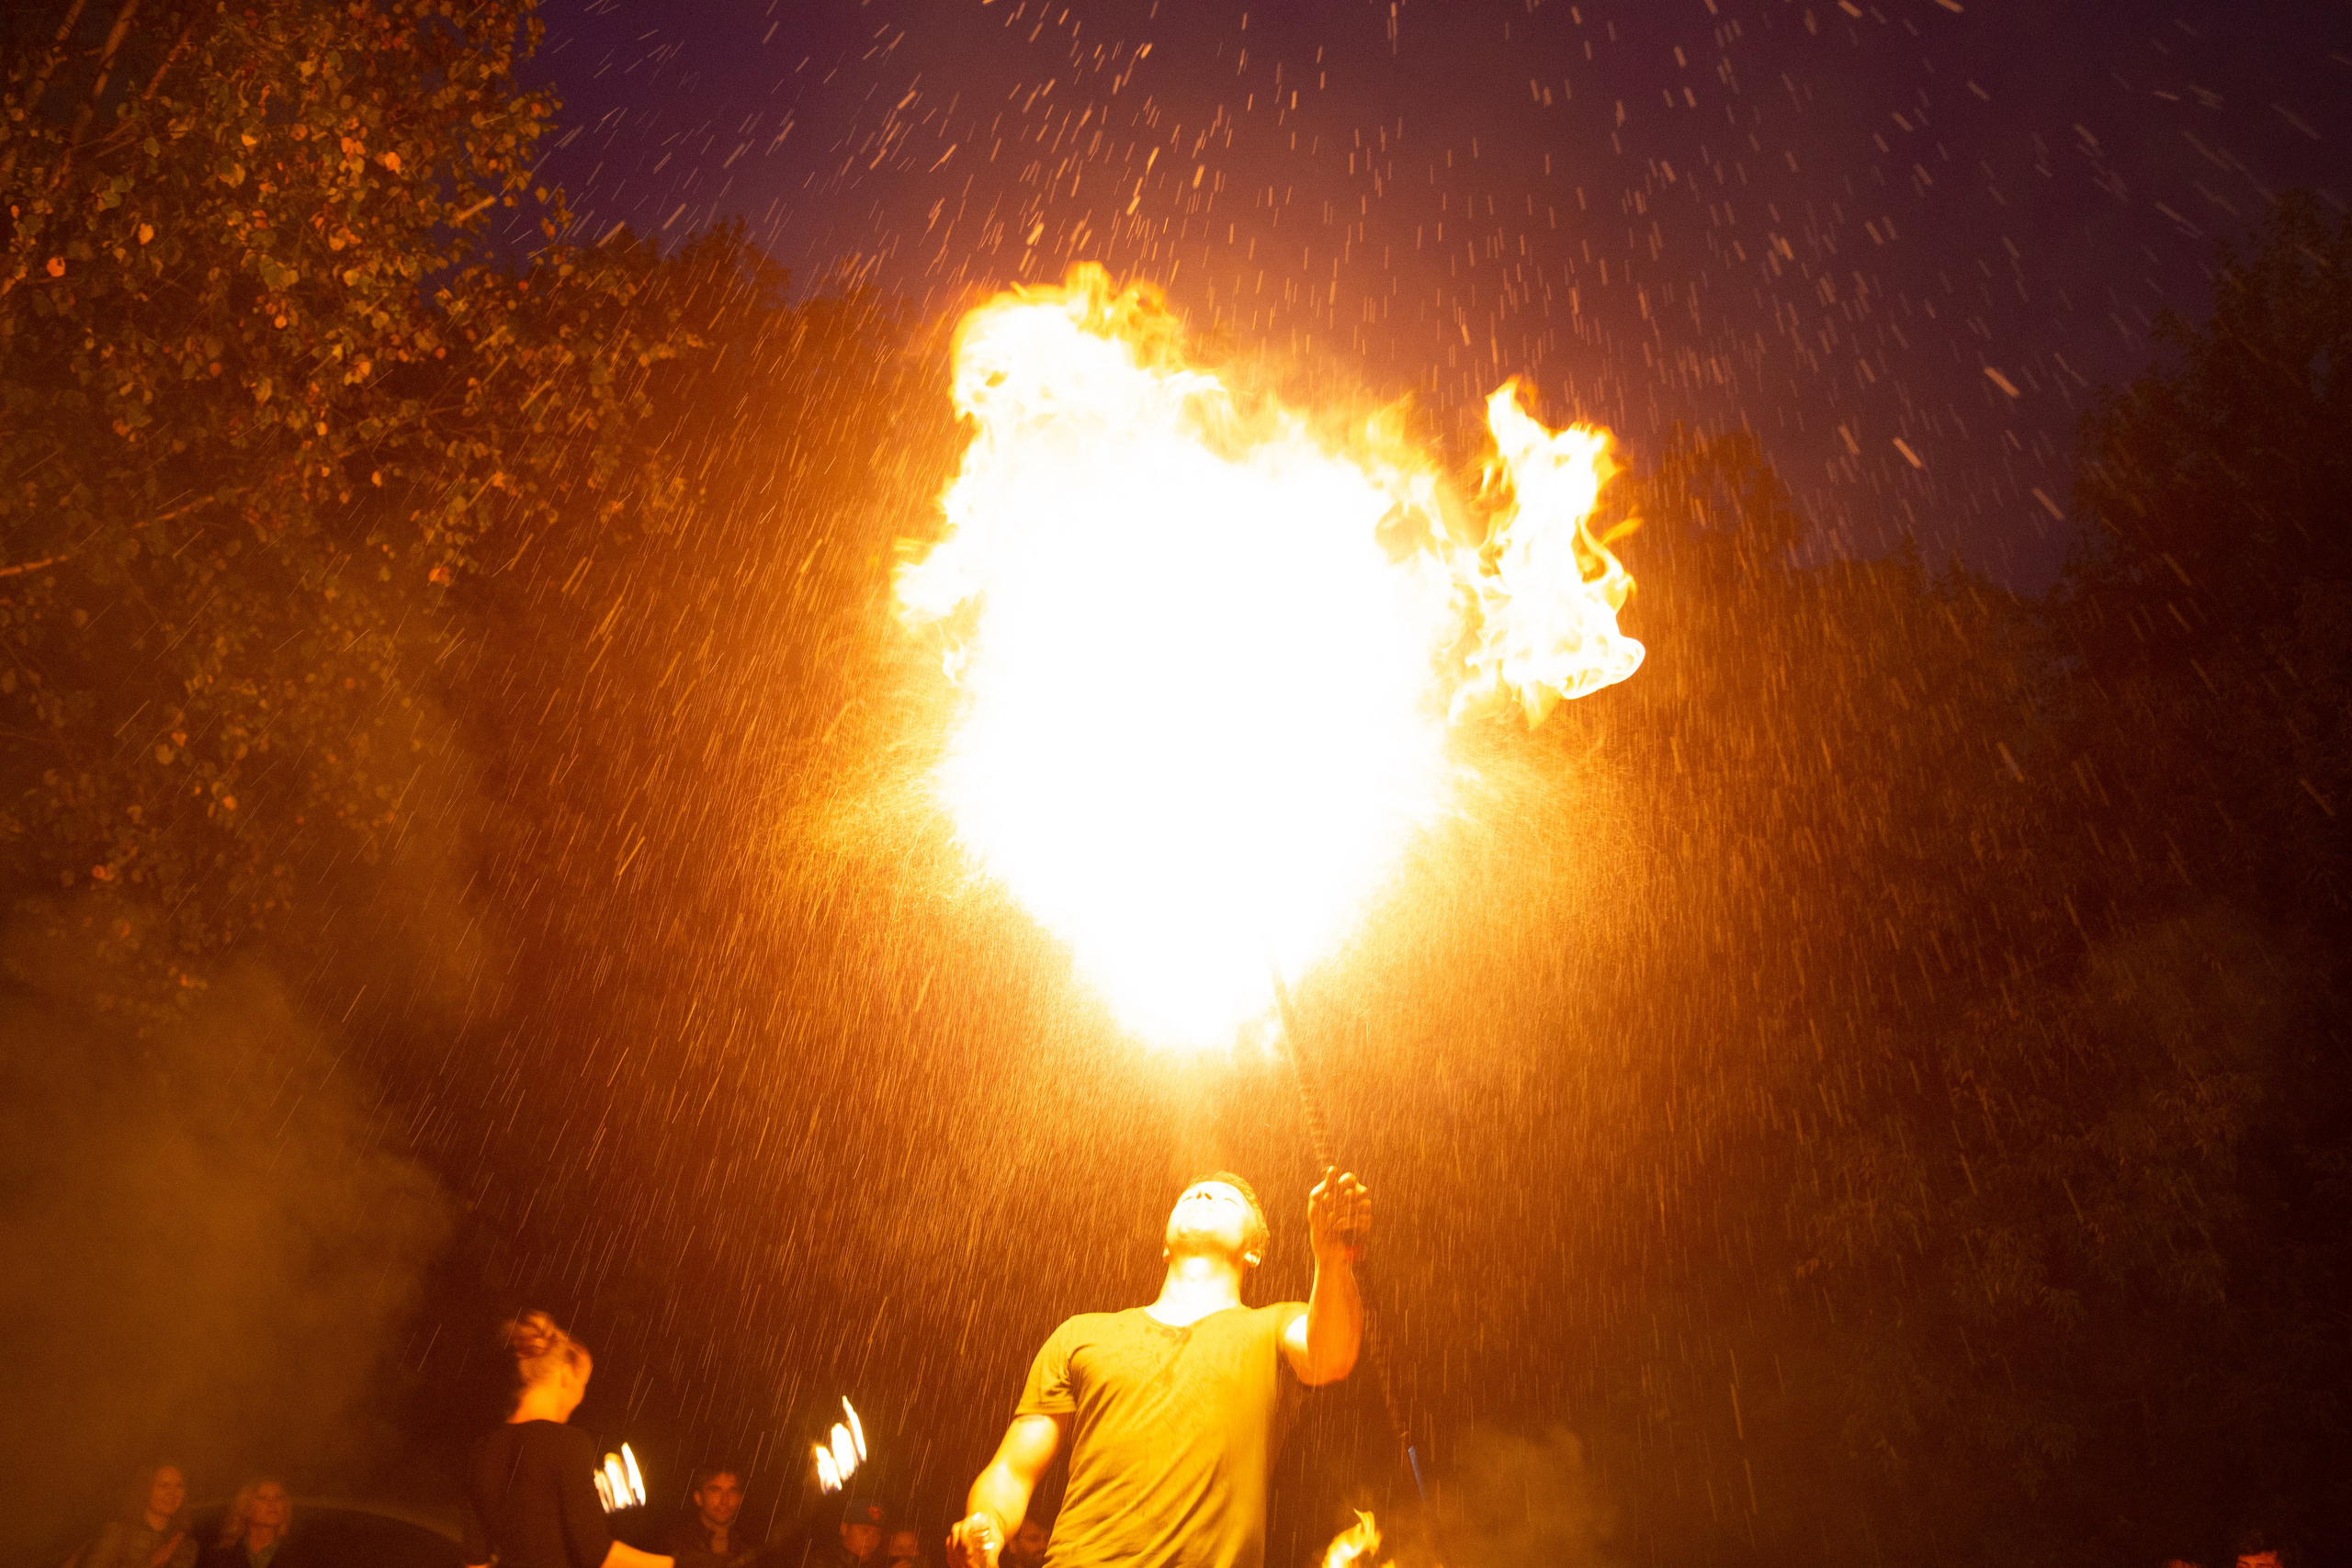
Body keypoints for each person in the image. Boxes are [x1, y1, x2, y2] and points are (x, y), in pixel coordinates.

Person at [945, 1168, 1370, 1568]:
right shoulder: (1081, 1334)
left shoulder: (1275, 1326)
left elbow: (1330, 1355)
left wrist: (1332, 1256)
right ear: (1164, 1244)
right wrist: (988, 1524)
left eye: (1227, 1200)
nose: (1203, 1195)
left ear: (1254, 1251)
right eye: (1191, 1194)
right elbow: (1012, 1470)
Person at [459, 1310, 676, 1568]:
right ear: (564, 1373)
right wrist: (682, 1565)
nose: (580, 1397)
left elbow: (475, 1561)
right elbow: (598, 1556)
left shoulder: (483, 1449)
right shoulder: (566, 1443)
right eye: (583, 1383)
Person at [80, 1463, 197, 1568]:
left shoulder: (185, 1543)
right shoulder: (119, 1533)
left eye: (179, 1486)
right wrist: (150, 1564)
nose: (172, 1493)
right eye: (163, 1485)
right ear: (145, 1489)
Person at [655, 1468, 763, 1568]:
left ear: (740, 1498)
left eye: (732, 1491)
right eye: (715, 1491)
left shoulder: (751, 1553)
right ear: (698, 1498)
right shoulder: (674, 1546)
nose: (724, 1501)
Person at [198, 1479, 294, 1568]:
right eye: (263, 1498)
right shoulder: (219, 1557)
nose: (273, 1504)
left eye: (279, 1498)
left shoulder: (299, 1555)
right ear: (246, 1507)